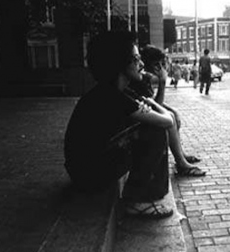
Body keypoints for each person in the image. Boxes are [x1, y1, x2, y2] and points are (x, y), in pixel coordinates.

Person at [64, 31, 175, 219]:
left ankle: (146, 193)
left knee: (147, 128)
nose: (141, 64)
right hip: (89, 176)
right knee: (154, 131)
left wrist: (150, 104)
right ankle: (138, 201)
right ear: (120, 63)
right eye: (136, 59)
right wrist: (153, 104)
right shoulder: (114, 97)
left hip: (82, 171)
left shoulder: (113, 91)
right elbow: (167, 120)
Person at [128, 45, 206, 177]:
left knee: (173, 113)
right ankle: (180, 162)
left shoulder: (143, 78)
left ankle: (180, 153)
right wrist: (163, 83)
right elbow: (153, 107)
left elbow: (150, 102)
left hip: (139, 118)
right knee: (170, 116)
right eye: (157, 64)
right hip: (137, 125)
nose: (160, 68)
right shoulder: (140, 80)